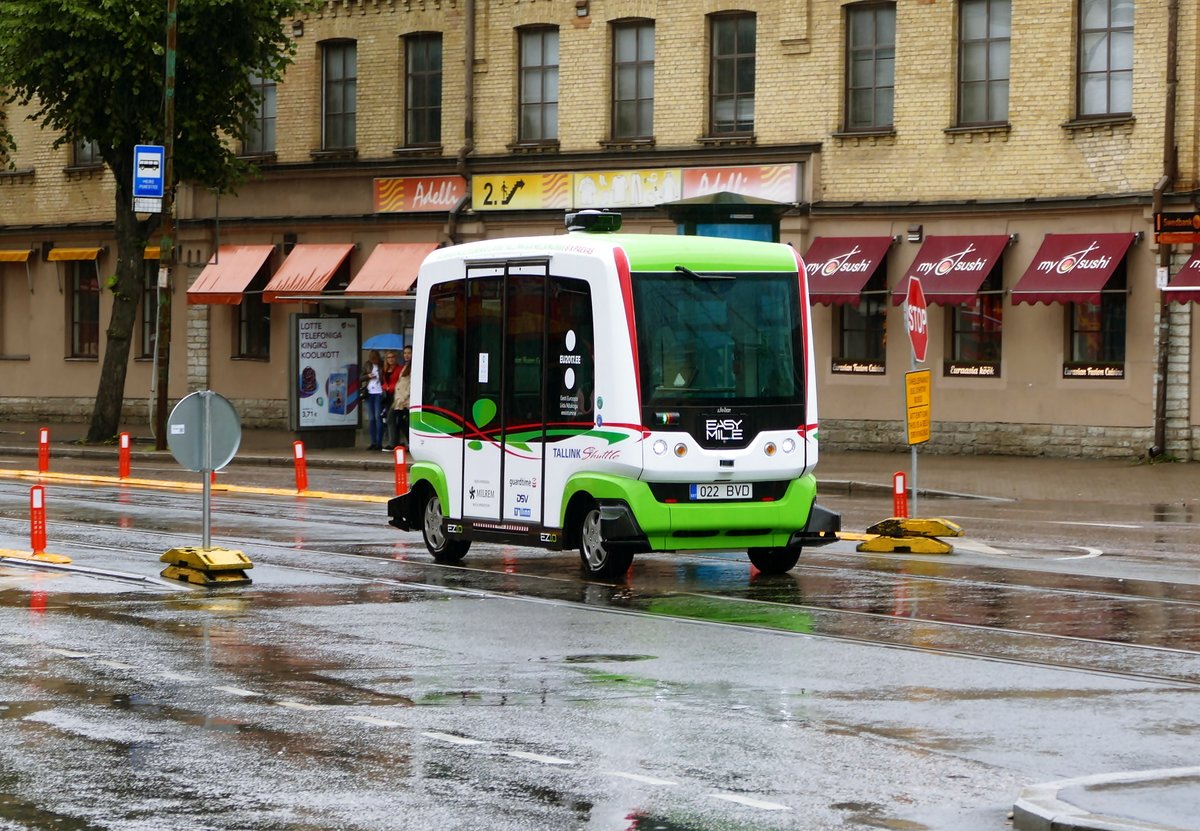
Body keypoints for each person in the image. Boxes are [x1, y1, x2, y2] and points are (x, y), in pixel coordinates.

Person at [389, 345, 413, 451]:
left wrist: (405, 398)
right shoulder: (405, 366)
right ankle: (396, 443)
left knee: (403, 422)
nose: (406, 355)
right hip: (399, 400)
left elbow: (410, 384)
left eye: (409, 353)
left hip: (405, 401)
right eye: (405, 353)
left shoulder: (413, 366)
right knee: (397, 421)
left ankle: (406, 443)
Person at [360, 349, 384, 451]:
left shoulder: (382, 365)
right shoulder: (367, 365)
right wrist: (368, 376)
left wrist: (379, 376)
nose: (374, 361)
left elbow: (385, 377)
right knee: (371, 419)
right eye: (372, 359)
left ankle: (379, 442)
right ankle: (373, 442)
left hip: (379, 393)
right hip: (369, 393)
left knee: (378, 417)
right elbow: (360, 378)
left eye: (375, 359)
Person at [379, 350, 401, 449]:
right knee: (391, 419)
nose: (391, 359)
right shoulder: (384, 370)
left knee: (390, 419)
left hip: (396, 396)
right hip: (387, 396)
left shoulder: (399, 369)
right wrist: (385, 387)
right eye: (388, 357)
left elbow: (400, 382)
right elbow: (383, 382)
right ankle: (395, 442)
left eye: (392, 357)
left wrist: (391, 387)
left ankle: (392, 443)